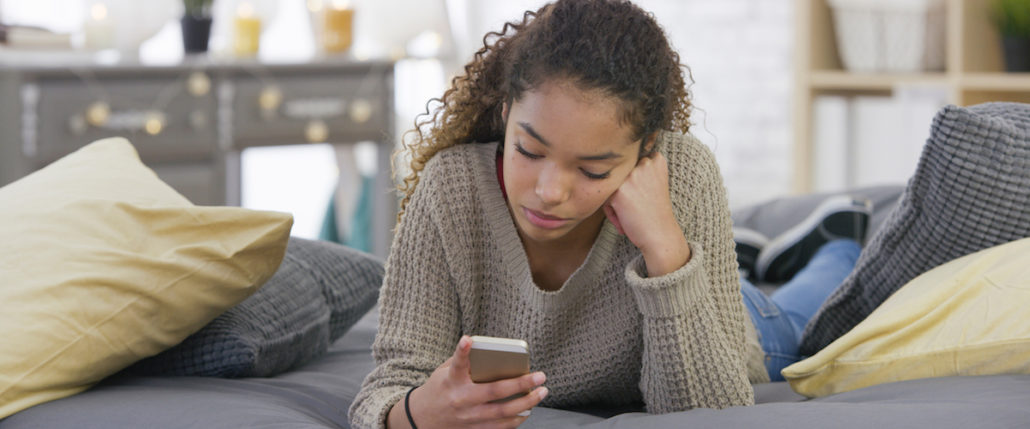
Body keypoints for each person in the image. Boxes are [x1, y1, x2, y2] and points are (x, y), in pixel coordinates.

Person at [349, 1, 869, 427]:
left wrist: (665, 246)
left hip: (722, 322)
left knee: (805, 320)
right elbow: (388, 388)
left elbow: (712, 411)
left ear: (645, 151)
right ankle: (753, 250)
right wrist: (416, 414)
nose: (549, 192)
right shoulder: (452, 189)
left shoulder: (683, 175)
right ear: (506, 112)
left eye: (594, 171)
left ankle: (839, 241)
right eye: (529, 151)